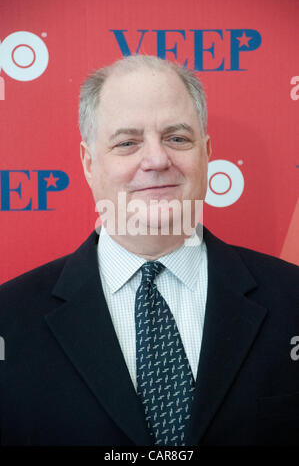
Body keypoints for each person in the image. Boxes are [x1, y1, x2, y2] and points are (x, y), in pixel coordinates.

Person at [0, 55, 298, 447]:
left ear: (206, 153)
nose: (157, 160)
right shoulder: (9, 319)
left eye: (177, 138)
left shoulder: (292, 298)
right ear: (89, 163)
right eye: (127, 143)